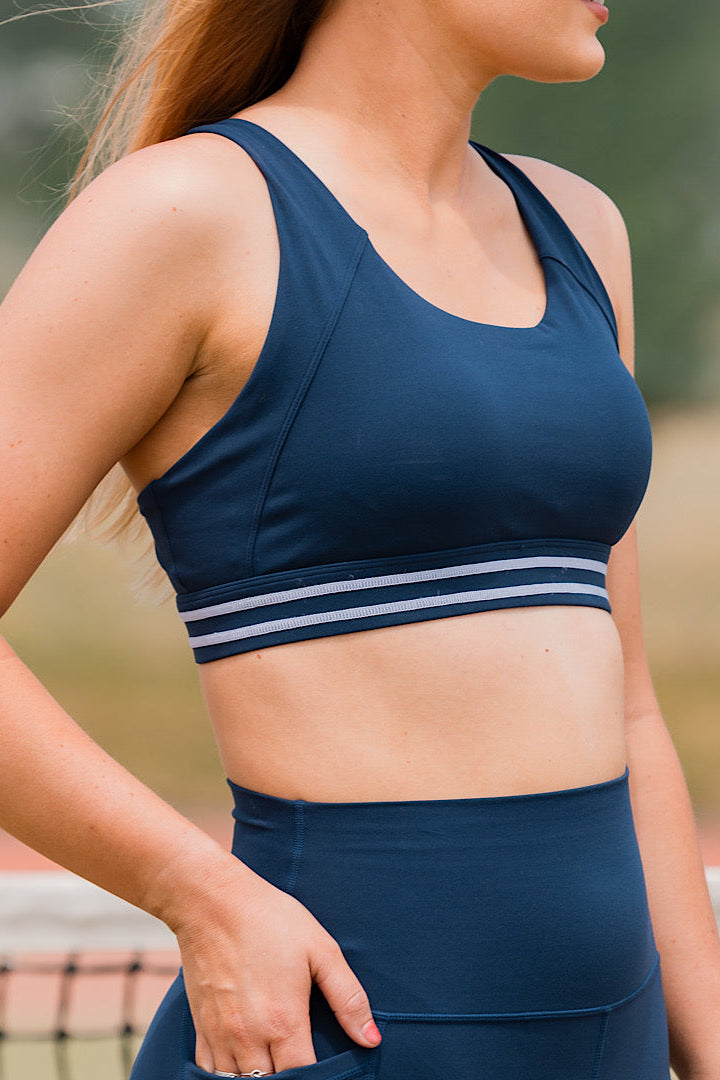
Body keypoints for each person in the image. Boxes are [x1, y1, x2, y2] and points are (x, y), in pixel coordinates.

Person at [2, 0, 720, 1077]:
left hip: (609, 1034)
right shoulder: (187, 212)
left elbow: (631, 706)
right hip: (348, 1028)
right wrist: (198, 893)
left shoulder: (581, 229)